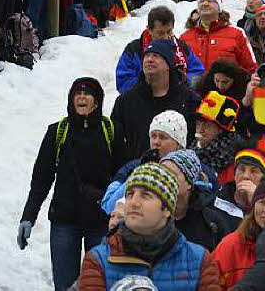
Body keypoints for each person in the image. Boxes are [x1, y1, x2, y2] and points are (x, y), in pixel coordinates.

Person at [19, 77, 120, 291]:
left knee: (101, 284)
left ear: (97, 101)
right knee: (65, 286)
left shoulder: (111, 131)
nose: (82, 97)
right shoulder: (57, 131)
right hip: (64, 221)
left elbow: (122, 177)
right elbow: (41, 179)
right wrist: (28, 217)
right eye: (77, 93)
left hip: (101, 221)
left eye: (88, 93)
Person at [78, 162, 222, 290]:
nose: (134, 202)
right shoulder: (98, 261)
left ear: (166, 209)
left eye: (146, 195)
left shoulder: (199, 261)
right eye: (129, 194)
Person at [111, 40, 200, 162]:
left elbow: (197, 140)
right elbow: (117, 144)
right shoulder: (126, 101)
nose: (149, 59)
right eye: (146, 56)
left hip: (178, 173)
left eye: (156, 56)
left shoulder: (190, 100)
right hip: (135, 173)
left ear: (169, 64)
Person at [160, 149, 240, 251]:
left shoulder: (211, 222)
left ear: (189, 183)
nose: (164, 180)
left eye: (171, 175)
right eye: (161, 174)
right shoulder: (150, 214)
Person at [116, 5, 204, 93]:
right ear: (149, 30)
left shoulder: (182, 47)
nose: (166, 37)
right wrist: (152, 83)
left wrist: (181, 80)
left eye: (169, 31)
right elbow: (123, 83)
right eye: (160, 33)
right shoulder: (134, 49)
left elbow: (198, 74)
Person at [181, 0, 257, 73]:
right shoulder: (185, 37)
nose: (205, 4)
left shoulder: (236, 34)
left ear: (219, 8)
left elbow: (250, 68)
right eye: (201, 1)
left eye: (210, 1)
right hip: (193, 85)